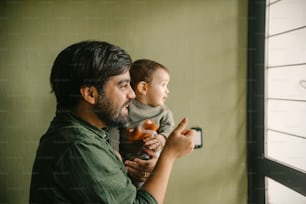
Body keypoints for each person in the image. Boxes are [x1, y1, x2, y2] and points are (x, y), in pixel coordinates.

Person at [29, 40, 195, 204]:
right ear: (90, 94)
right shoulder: (78, 146)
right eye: (123, 86)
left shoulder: (93, 134)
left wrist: (145, 170)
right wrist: (169, 155)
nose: (132, 94)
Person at [115, 59, 174, 188]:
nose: (167, 91)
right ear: (143, 87)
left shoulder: (164, 113)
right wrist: (115, 152)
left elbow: (169, 133)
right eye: (163, 85)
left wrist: (161, 138)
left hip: (149, 162)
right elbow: (113, 129)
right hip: (124, 163)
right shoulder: (126, 108)